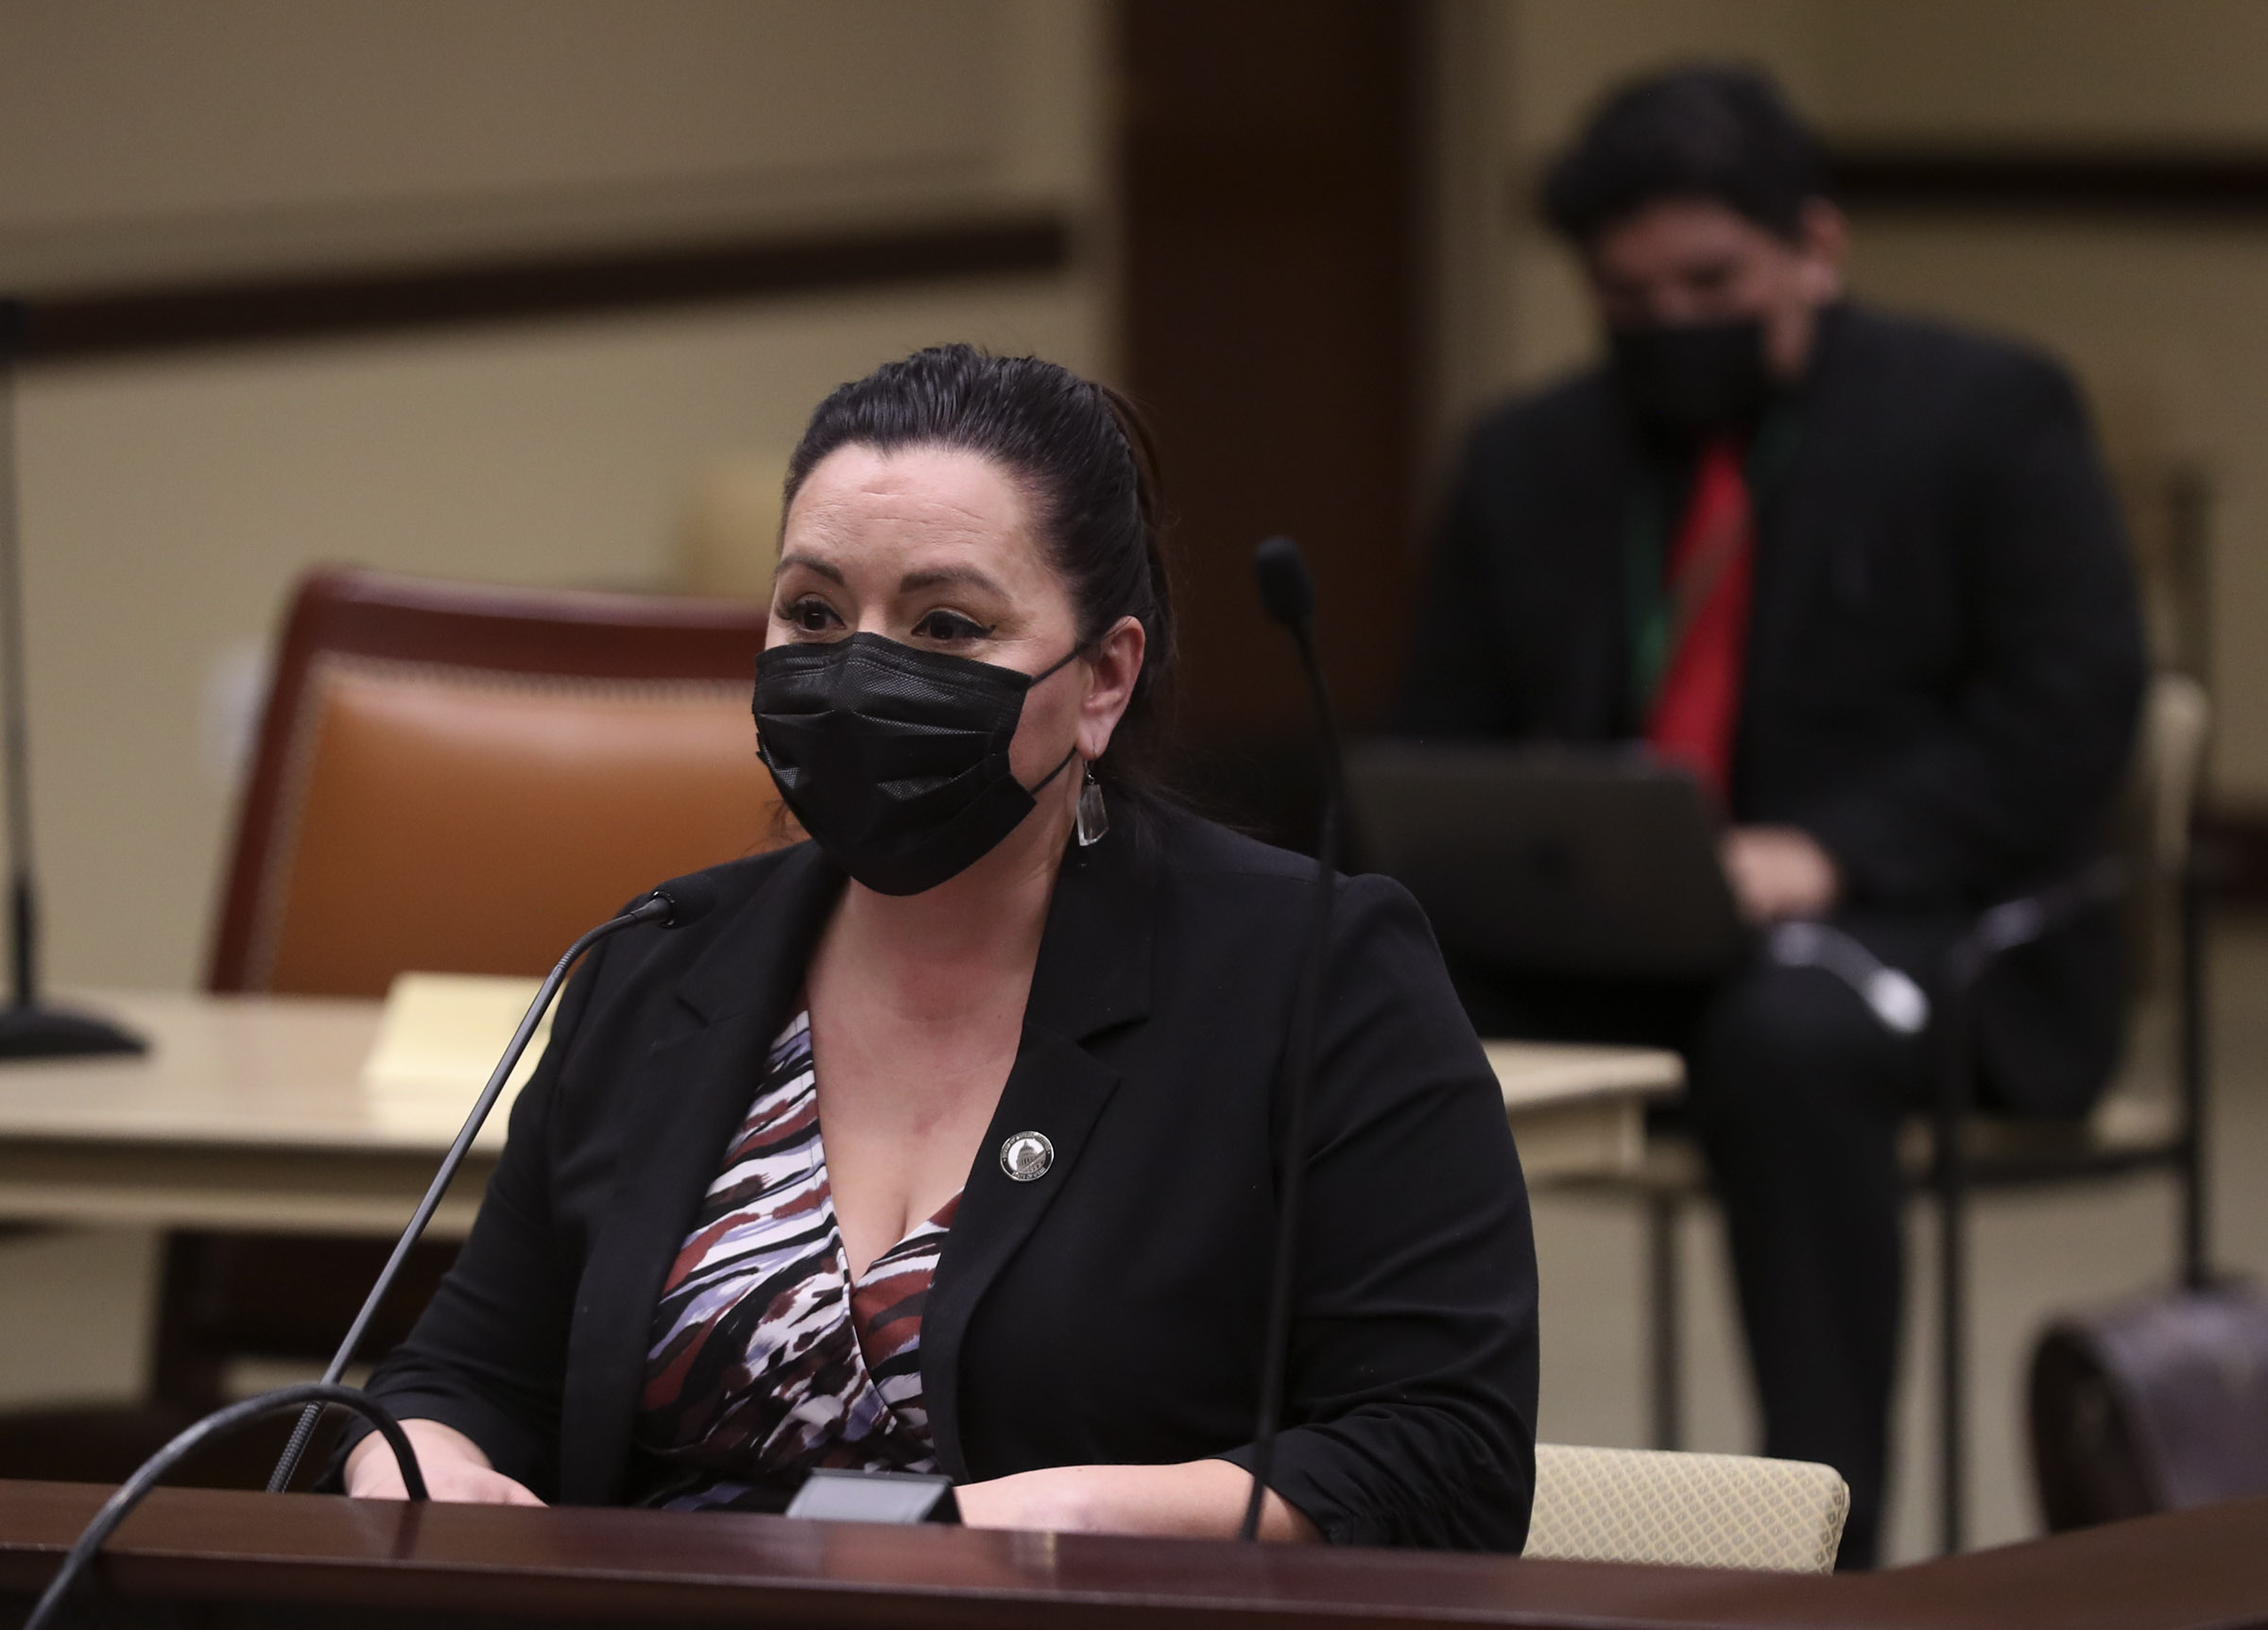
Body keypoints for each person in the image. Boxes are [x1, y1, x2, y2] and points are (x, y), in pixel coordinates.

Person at [340, 344, 1540, 1550]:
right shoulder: (661, 962)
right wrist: (423, 1461)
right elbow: (469, 1378)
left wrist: (1047, 1522)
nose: (859, 668)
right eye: (812, 612)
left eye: (947, 625)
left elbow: (1443, 1455)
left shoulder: (1314, 970)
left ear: (1104, 678)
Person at [1398, 68, 2144, 1565]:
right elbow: (1437, 742)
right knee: (1348, 988)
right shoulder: (1531, 457)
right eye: (1631, 294)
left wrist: (1830, 854)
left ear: (1817, 245)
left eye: (1713, 282)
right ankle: (1384, 1493)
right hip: (1626, 932)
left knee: (1787, 1035)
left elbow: (2067, 719)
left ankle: (1830, 1540)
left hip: (1927, 929)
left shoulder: (1986, 417)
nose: (1675, 322)